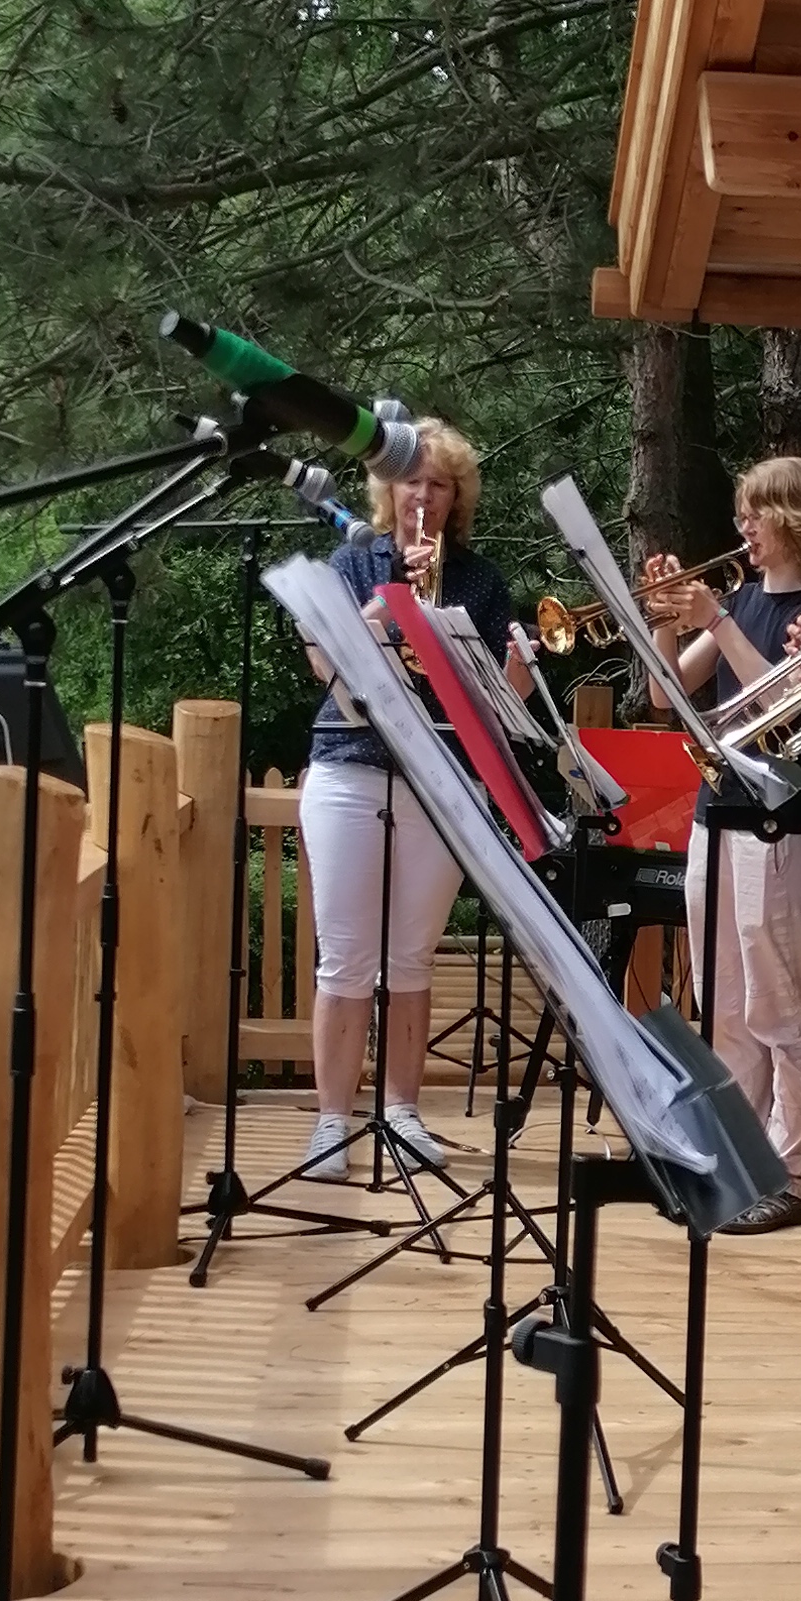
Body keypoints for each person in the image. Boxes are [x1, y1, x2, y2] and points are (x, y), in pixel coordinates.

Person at [294, 418, 532, 1180]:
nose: (422, 496)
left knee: (410, 958)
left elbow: (498, 701)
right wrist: (386, 601)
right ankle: (332, 1124)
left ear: (457, 497)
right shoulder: (352, 560)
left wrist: (518, 673)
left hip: (441, 779)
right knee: (344, 959)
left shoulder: (479, 581)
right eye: (411, 481)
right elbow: (323, 661)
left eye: (438, 484)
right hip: (350, 765)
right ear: (387, 489)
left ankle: (401, 1114)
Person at [646, 454, 801, 1233]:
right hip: (717, 816)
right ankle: (737, 1160)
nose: (743, 527)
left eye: (755, 513)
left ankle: (787, 1171)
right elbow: (666, 696)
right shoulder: (738, 599)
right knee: (724, 1004)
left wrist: (718, 622)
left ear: (794, 516)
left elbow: (784, 703)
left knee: (779, 1005)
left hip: (779, 825)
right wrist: (667, 623)